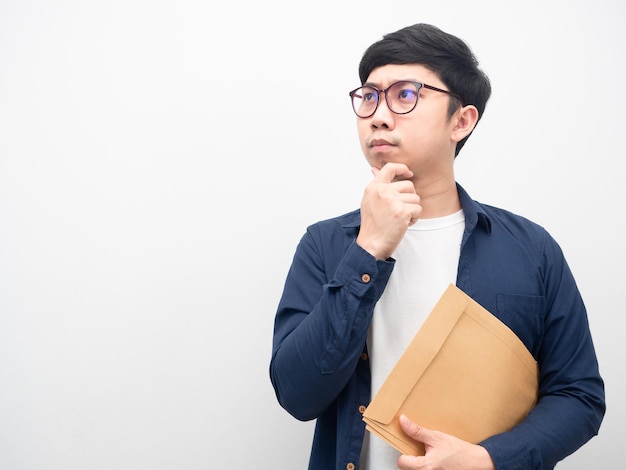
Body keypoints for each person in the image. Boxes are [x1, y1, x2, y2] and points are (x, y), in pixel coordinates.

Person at [269, 23, 605, 470]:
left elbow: (579, 395)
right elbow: (297, 394)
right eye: (368, 96)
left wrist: (489, 459)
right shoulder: (326, 245)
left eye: (405, 94)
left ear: (461, 120)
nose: (379, 115)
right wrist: (369, 248)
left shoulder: (532, 249)